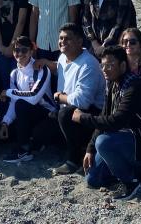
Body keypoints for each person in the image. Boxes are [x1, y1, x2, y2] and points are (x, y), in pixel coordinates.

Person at [76, 45, 141, 201]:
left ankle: (132, 181)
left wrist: (82, 117)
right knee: (93, 179)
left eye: (110, 65)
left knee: (104, 142)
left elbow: (116, 121)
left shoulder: (134, 87)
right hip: (126, 138)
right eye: (103, 65)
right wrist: (89, 149)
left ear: (122, 66)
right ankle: (131, 170)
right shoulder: (113, 84)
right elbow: (104, 114)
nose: (105, 69)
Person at [38, 23, 107, 176]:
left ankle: (73, 160)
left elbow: (83, 101)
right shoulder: (64, 57)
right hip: (68, 107)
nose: (63, 42)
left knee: (64, 115)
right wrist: (46, 63)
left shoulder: (88, 64)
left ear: (80, 42)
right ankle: (79, 147)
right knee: (41, 131)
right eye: (61, 38)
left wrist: (58, 97)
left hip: (93, 114)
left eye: (68, 39)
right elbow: (60, 67)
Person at [0, 36, 56, 163]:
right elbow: (13, 101)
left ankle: (24, 150)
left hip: (48, 114)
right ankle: (30, 142)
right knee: (0, 137)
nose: (19, 54)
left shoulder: (41, 69)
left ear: (31, 51)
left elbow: (34, 97)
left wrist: (8, 92)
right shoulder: (14, 73)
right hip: (29, 114)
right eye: (16, 50)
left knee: (21, 105)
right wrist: (5, 122)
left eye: (24, 50)